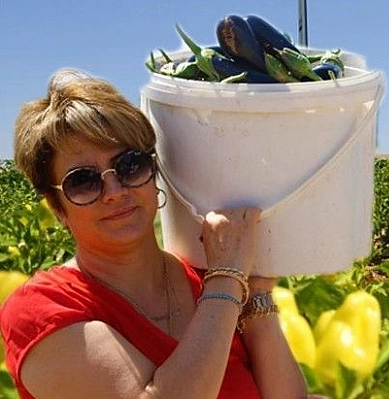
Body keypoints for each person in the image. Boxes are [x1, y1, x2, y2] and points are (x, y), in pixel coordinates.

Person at [0, 69, 308, 398]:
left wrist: (255, 296)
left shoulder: (207, 280)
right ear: (57, 206)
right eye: (83, 181)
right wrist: (228, 279)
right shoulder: (42, 309)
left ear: (153, 172)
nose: (114, 190)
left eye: (130, 165)